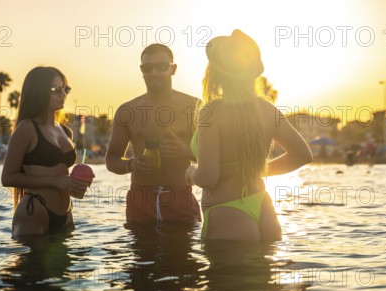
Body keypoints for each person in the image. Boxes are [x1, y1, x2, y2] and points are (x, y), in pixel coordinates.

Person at [185, 30, 312, 241]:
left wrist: (190, 172)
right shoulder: (266, 109)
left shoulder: (211, 112)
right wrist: (256, 171)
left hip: (227, 212)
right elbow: (302, 155)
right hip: (264, 208)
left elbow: (208, 177)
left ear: (215, 73)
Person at [106, 43, 201, 226]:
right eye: (147, 68)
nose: (154, 73)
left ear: (173, 69)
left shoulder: (194, 106)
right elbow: (111, 159)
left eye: (161, 66)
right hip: (141, 199)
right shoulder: (128, 111)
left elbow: (214, 157)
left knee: (182, 252)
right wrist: (133, 164)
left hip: (180, 196)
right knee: (142, 252)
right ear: (142, 71)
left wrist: (186, 151)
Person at [2, 66, 91, 236]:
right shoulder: (27, 128)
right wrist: (57, 181)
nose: (63, 94)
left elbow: (59, 172)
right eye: (56, 89)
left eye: (66, 89)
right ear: (38, 92)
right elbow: (7, 177)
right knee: (32, 263)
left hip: (66, 213)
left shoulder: (65, 131)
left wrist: (76, 183)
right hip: (35, 211)